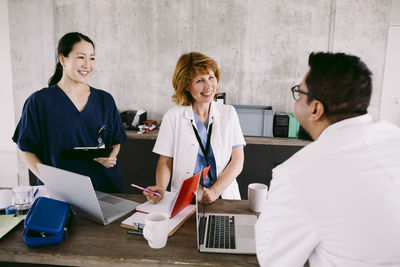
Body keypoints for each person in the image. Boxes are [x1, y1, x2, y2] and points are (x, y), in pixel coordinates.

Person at [255, 52, 400, 266]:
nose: (296, 102)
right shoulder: (394, 136)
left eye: (299, 94)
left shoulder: (296, 175)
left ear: (315, 109)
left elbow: (272, 260)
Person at [13, 32, 127, 193]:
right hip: (61, 193)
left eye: (92, 58)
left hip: (105, 188)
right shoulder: (39, 101)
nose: (88, 65)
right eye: (81, 57)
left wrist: (112, 155)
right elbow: (25, 149)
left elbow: (116, 140)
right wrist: (50, 181)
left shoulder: (105, 100)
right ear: (62, 59)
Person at [144, 52, 245, 204]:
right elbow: (165, 161)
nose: (208, 85)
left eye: (211, 77)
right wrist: (161, 187)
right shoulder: (173, 117)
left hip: (223, 195)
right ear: (186, 85)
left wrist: (215, 191)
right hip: (185, 197)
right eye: (199, 80)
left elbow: (238, 159)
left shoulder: (228, 113)